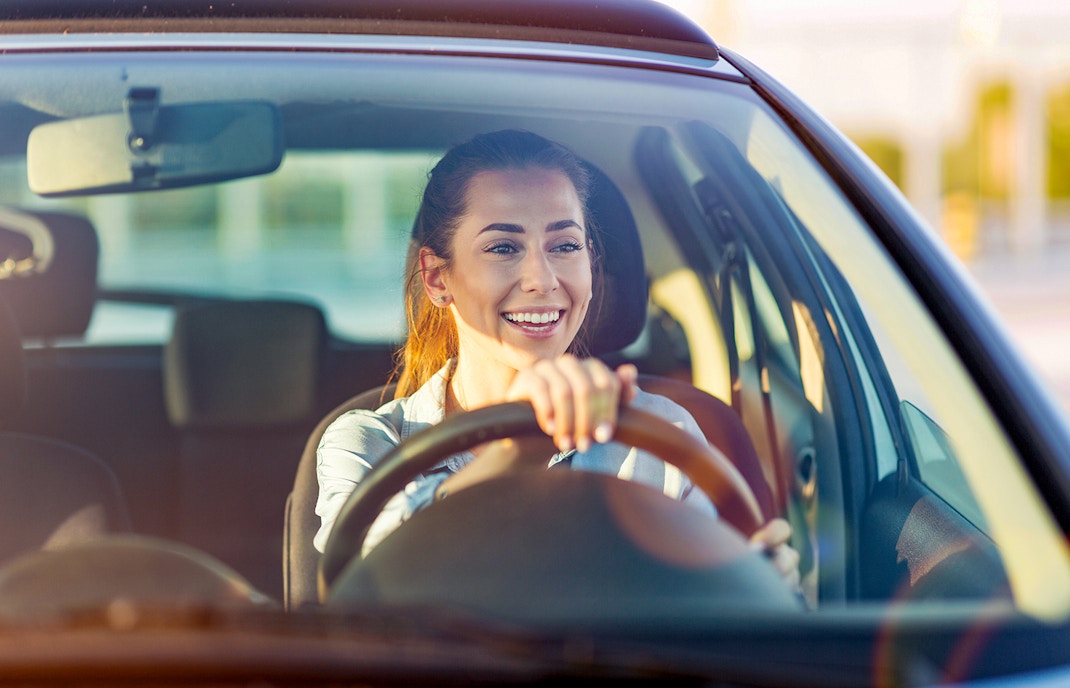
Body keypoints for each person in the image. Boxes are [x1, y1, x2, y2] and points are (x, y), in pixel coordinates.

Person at [314, 129, 799, 588]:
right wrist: (517, 452)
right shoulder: (366, 444)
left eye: (564, 245)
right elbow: (363, 591)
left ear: (590, 262)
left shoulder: (661, 434)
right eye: (503, 247)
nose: (541, 279)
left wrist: (757, 585)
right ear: (438, 278)